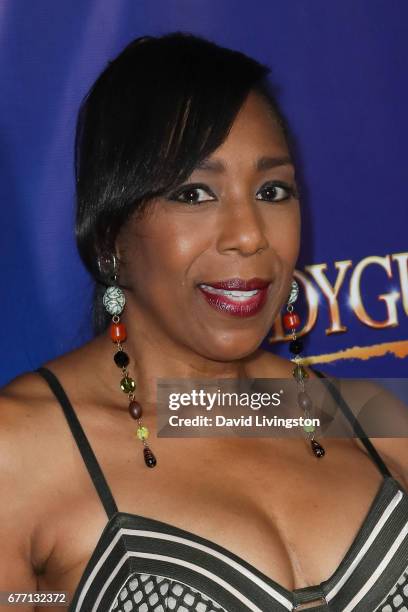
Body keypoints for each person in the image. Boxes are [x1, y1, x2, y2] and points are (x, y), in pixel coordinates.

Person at [0, 32, 407, 612]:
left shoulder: (375, 420)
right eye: (193, 194)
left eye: (272, 190)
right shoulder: (18, 453)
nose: (249, 235)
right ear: (111, 235)